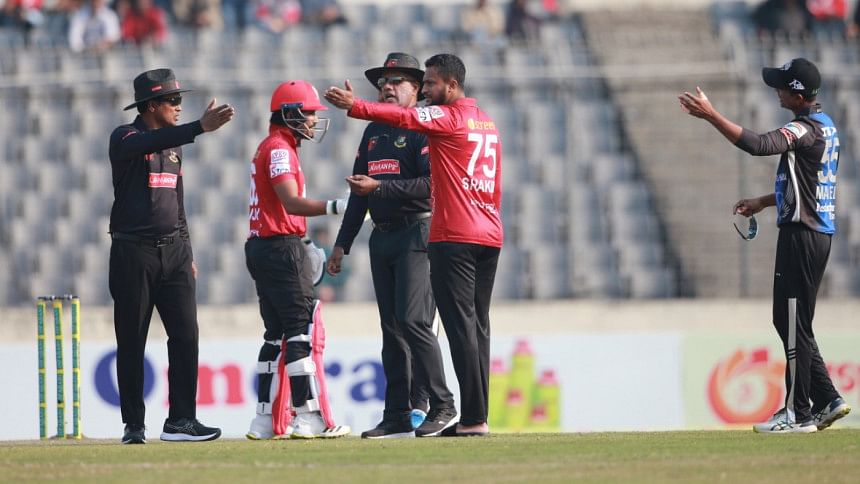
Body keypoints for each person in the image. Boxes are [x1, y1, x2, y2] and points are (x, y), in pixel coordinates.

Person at [325, 53, 503, 437]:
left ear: (418, 89)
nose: (388, 88)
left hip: (420, 232)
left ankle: (442, 404)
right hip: (385, 235)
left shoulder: (430, 123)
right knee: (392, 330)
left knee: (415, 322)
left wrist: (380, 186)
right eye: (383, 83)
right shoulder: (374, 133)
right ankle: (398, 414)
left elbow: (428, 186)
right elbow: (358, 192)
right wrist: (343, 243)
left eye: (398, 82)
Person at [679, 58, 851, 433]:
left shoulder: (802, 129)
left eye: (782, 86)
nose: (776, 91)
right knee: (790, 320)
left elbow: (759, 145)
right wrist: (763, 201)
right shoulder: (826, 126)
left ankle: (798, 413)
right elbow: (807, 184)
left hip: (802, 236)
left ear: (798, 95)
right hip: (815, 234)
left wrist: (711, 115)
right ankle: (827, 399)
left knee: (793, 322)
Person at [109, 68, 235, 444]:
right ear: (151, 105)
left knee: (186, 335)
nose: (179, 107)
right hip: (134, 252)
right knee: (132, 339)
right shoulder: (125, 137)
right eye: (173, 100)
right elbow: (145, 143)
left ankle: (181, 420)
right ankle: (134, 424)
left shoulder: (174, 147)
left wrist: (188, 252)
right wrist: (199, 127)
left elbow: (177, 206)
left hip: (175, 253)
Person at [244, 80, 351, 440]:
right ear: (289, 113)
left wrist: (303, 240)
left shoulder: (272, 146)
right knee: (300, 330)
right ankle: (307, 417)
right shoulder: (279, 149)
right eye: (308, 113)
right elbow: (290, 202)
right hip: (279, 248)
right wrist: (337, 206)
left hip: (264, 246)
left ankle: (263, 420)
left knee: (275, 336)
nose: (313, 121)